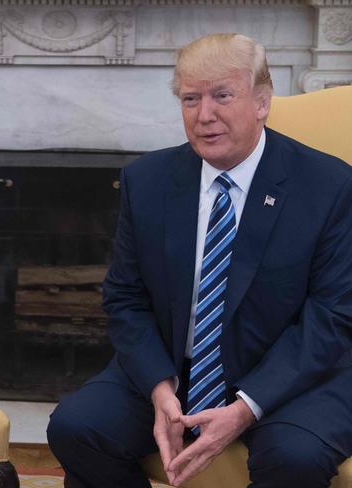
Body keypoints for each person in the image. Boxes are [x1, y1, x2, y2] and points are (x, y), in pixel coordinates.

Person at [47, 33, 352, 488]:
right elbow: (125, 298)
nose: (204, 115)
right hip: (175, 367)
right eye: (191, 99)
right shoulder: (147, 181)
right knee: (78, 427)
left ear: (263, 102)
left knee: (295, 457)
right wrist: (158, 388)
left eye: (222, 96)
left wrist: (247, 405)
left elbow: (332, 315)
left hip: (292, 376)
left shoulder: (328, 185)